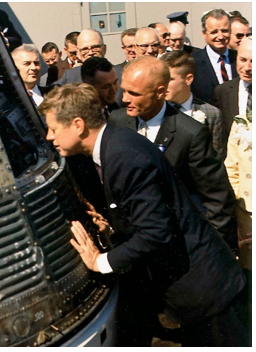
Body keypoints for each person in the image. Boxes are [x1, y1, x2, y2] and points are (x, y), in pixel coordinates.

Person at [40, 83, 248, 346]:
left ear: (78, 125)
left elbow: (156, 233)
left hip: (207, 293)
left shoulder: (123, 157)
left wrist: (100, 261)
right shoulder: (116, 143)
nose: (49, 136)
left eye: (54, 129)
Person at [109, 56, 238, 254]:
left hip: (179, 247)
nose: (125, 99)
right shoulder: (117, 121)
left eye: (134, 93)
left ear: (160, 92)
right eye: (124, 90)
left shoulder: (190, 133)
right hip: (133, 246)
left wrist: (210, 250)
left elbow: (217, 199)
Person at [160, 50, 228, 160]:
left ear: (188, 79)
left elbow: (217, 157)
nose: (163, 84)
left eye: (170, 79)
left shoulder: (211, 113)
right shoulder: (156, 110)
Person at [223, 37, 253, 268]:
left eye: (254, 61)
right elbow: (231, 167)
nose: (248, 66)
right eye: (243, 60)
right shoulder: (239, 121)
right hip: (247, 209)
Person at [192, 9, 238, 104]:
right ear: (204, 34)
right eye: (214, 32)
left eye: (224, 31)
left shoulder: (239, 59)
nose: (220, 36)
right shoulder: (193, 62)